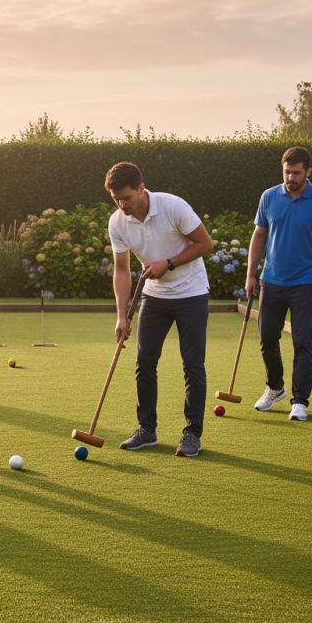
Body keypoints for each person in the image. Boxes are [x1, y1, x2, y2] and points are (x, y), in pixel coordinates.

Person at [106, 162, 214, 457]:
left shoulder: (173, 206)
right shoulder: (117, 223)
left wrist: (167, 263)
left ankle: (192, 434)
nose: (121, 204)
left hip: (191, 293)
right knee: (145, 362)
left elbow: (205, 243)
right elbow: (122, 270)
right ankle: (146, 430)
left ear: (141, 189)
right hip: (153, 297)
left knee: (192, 364)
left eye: (126, 197)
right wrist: (120, 316)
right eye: (115, 199)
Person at [246, 146, 312, 422]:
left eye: (296, 172)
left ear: (308, 172)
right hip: (271, 280)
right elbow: (259, 235)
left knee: (302, 342)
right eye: (287, 172)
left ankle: (300, 400)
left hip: (305, 282)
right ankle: (275, 388)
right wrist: (251, 274)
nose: (290, 177)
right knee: (266, 339)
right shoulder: (269, 196)